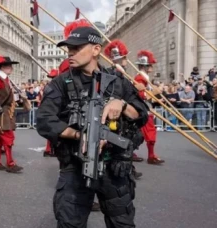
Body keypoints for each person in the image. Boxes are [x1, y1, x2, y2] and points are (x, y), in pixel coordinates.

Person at [36, 25, 148, 227]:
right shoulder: (61, 83)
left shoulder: (117, 82)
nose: (71, 52)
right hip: (76, 167)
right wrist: (78, 135)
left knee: (122, 223)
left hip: (115, 167)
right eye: (69, 48)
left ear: (96, 50)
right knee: (70, 222)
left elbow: (142, 114)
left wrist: (121, 105)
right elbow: (44, 120)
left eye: (77, 48)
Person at [104, 39, 144, 176]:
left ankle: (127, 170)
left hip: (124, 119)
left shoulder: (123, 77)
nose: (127, 60)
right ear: (120, 59)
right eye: (125, 57)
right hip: (115, 121)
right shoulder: (111, 75)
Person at [134, 50, 165, 165]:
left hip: (146, 108)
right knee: (148, 133)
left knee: (146, 133)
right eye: (150, 65)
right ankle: (150, 156)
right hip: (142, 109)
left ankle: (151, 155)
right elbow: (142, 95)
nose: (152, 67)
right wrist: (156, 92)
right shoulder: (140, 78)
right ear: (145, 66)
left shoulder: (144, 77)